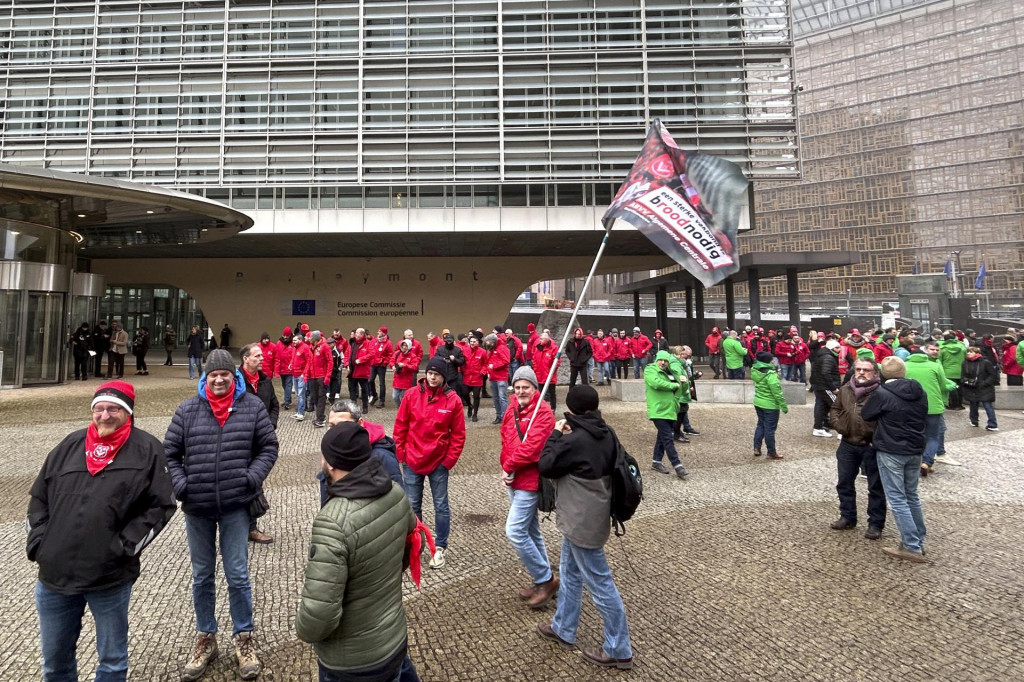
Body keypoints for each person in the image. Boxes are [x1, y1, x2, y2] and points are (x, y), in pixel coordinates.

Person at [27, 381, 176, 682]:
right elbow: (39, 498)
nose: (105, 416)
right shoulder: (69, 445)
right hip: (55, 574)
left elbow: (160, 506)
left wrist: (124, 547)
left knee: (111, 662)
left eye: (114, 409)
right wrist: (39, 542)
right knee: (54, 662)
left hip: (109, 576)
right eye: (100, 409)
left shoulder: (147, 449)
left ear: (128, 413)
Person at [163, 349, 279, 681]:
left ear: (234, 376)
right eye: (212, 374)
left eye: (224, 374)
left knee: (238, 575)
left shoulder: (252, 407)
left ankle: (244, 638)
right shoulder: (187, 409)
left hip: (235, 505)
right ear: (205, 377)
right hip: (197, 507)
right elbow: (169, 452)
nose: (218, 379)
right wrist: (182, 484)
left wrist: (251, 478)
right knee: (202, 576)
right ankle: (206, 637)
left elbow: (268, 447)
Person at [296, 421, 420, 682]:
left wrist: (303, 629)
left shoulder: (333, 521)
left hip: (354, 661)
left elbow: (319, 616)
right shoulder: (396, 493)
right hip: (394, 638)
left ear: (330, 463)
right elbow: (407, 550)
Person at [536, 384, 633, 670]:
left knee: (601, 583)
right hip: (593, 514)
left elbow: (545, 464)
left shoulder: (575, 439)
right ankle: (564, 628)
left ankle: (619, 648)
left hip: (581, 521)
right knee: (569, 571)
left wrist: (555, 433)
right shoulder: (606, 432)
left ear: (571, 409)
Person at [393, 356, 466, 570]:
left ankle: (440, 546)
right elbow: (400, 426)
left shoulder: (453, 400)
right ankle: (416, 544)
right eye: (430, 373)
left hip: (439, 462)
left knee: (441, 505)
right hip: (412, 459)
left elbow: (458, 435)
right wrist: (402, 455)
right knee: (412, 505)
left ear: (444, 377)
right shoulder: (411, 395)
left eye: (437, 374)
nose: (432, 378)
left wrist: (448, 461)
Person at [860, 357, 930, 563]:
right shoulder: (919, 391)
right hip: (915, 448)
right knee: (911, 495)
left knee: (897, 498)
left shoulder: (882, 393)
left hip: (891, 449)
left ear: (882, 374)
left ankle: (911, 545)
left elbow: (866, 414)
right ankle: (918, 538)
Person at [500, 366, 558, 609]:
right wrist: (507, 466)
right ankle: (542, 579)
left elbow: (533, 447)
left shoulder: (543, 413)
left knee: (514, 531)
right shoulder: (512, 407)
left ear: (535, 388)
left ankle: (546, 579)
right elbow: (505, 435)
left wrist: (510, 466)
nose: (522, 391)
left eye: (527, 387)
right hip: (514, 477)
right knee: (531, 531)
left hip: (530, 480)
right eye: (519, 386)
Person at [829, 357, 886, 539]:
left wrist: (876, 438)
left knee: (875, 487)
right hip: (848, 443)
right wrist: (839, 425)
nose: (861, 372)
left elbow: (888, 419)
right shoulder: (846, 389)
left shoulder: (881, 392)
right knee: (844, 482)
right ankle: (847, 516)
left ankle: (875, 524)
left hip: (871, 445)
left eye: (866, 370)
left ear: (875, 373)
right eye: (858, 369)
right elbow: (835, 408)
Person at [321, 400, 405, 504]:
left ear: (360, 423)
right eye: (332, 426)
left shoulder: (383, 456)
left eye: (343, 425)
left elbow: (397, 500)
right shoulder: (332, 449)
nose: (337, 431)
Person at [240, 343, 280, 545]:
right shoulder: (235, 381)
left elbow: (274, 405)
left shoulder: (265, 381)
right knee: (239, 482)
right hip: (240, 439)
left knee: (255, 480)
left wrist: (269, 425)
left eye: (262, 356)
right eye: (257, 356)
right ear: (245, 359)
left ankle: (251, 527)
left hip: (260, 440)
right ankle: (237, 528)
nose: (262, 358)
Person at [904, 339, 955, 476]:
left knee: (915, 435)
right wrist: (951, 386)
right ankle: (927, 461)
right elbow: (944, 385)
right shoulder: (935, 366)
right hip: (933, 406)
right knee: (933, 436)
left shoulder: (904, 365)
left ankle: (916, 461)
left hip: (911, 406)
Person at [644, 350, 689, 479]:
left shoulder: (671, 372)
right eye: (661, 360)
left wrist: (684, 382)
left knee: (662, 437)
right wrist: (673, 385)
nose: (663, 363)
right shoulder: (650, 370)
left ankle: (656, 461)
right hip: (658, 410)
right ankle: (677, 465)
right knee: (668, 437)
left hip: (671, 409)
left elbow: (681, 389)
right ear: (656, 360)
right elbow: (656, 383)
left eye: (665, 361)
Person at [750, 350, 787, 459]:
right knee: (770, 429)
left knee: (761, 424)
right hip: (770, 405)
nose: (773, 361)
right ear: (768, 361)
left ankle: (756, 447)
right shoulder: (770, 374)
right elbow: (777, 392)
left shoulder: (755, 370)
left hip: (758, 402)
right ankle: (771, 452)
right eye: (771, 359)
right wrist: (783, 406)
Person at [961, 345, 999, 431]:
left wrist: (984, 383)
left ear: (977, 353)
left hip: (985, 388)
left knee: (987, 406)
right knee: (973, 405)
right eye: (968, 352)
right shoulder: (965, 362)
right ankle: (974, 421)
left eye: (971, 352)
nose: (969, 353)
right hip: (972, 387)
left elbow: (992, 375)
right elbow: (963, 374)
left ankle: (992, 424)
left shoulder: (985, 362)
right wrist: (965, 381)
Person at [810, 339, 841, 437]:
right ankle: (842, 431)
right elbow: (826, 373)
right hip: (825, 387)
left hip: (819, 385)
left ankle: (818, 427)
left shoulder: (823, 355)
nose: (839, 349)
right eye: (837, 347)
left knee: (821, 406)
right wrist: (833, 387)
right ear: (831, 348)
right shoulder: (828, 357)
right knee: (838, 406)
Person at [307, 331, 333, 428]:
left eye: (311, 337)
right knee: (315, 397)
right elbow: (310, 361)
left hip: (321, 376)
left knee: (321, 397)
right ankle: (320, 416)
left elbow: (330, 361)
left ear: (315, 338)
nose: (309, 339)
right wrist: (307, 374)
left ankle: (320, 419)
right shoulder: (312, 347)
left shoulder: (324, 347)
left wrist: (327, 376)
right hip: (313, 376)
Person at [485, 330, 511, 424]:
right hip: (493, 376)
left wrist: (494, 366)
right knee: (496, 397)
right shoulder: (493, 349)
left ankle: (504, 417)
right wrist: (489, 370)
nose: (488, 344)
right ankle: (498, 415)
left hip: (501, 377)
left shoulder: (502, 348)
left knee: (502, 397)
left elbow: (506, 361)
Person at [347, 327, 375, 412]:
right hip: (352, 370)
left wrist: (361, 360)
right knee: (352, 389)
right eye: (355, 333)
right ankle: (353, 407)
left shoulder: (368, 343)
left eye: (357, 333)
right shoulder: (353, 342)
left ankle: (365, 407)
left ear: (362, 334)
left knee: (364, 390)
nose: (356, 334)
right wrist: (347, 364)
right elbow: (347, 354)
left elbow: (371, 354)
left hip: (362, 371)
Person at [462, 335, 489, 422]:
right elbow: (462, 362)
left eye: (474, 341)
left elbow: (486, 363)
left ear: (478, 342)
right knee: (465, 393)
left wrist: (483, 372)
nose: (472, 343)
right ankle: (470, 405)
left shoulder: (483, 352)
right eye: (471, 342)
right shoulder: (465, 351)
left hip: (477, 377)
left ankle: (475, 414)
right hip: (467, 376)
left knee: (476, 396)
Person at [939, 331, 966, 410]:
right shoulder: (962, 347)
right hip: (961, 370)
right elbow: (965, 358)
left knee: (952, 388)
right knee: (960, 387)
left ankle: (953, 404)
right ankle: (959, 404)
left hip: (948, 371)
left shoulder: (942, 349)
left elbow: (939, 360)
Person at [390, 339, 418, 409]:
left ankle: (403, 409)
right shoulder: (397, 353)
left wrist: (405, 365)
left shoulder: (413, 356)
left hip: (406, 380)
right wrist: (392, 366)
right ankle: (400, 407)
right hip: (397, 378)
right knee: (395, 396)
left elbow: (415, 367)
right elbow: (391, 361)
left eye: (406, 345)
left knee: (403, 397)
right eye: (403, 345)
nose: (404, 347)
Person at [369, 326, 393, 407]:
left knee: (381, 383)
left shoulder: (388, 343)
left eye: (379, 331)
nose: (378, 332)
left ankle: (382, 401)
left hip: (381, 366)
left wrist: (384, 362)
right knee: (370, 381)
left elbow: (390, 355)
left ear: (384, 333)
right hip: (373, 364)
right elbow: (371, 350)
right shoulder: (374, 341)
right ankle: (374, 395)